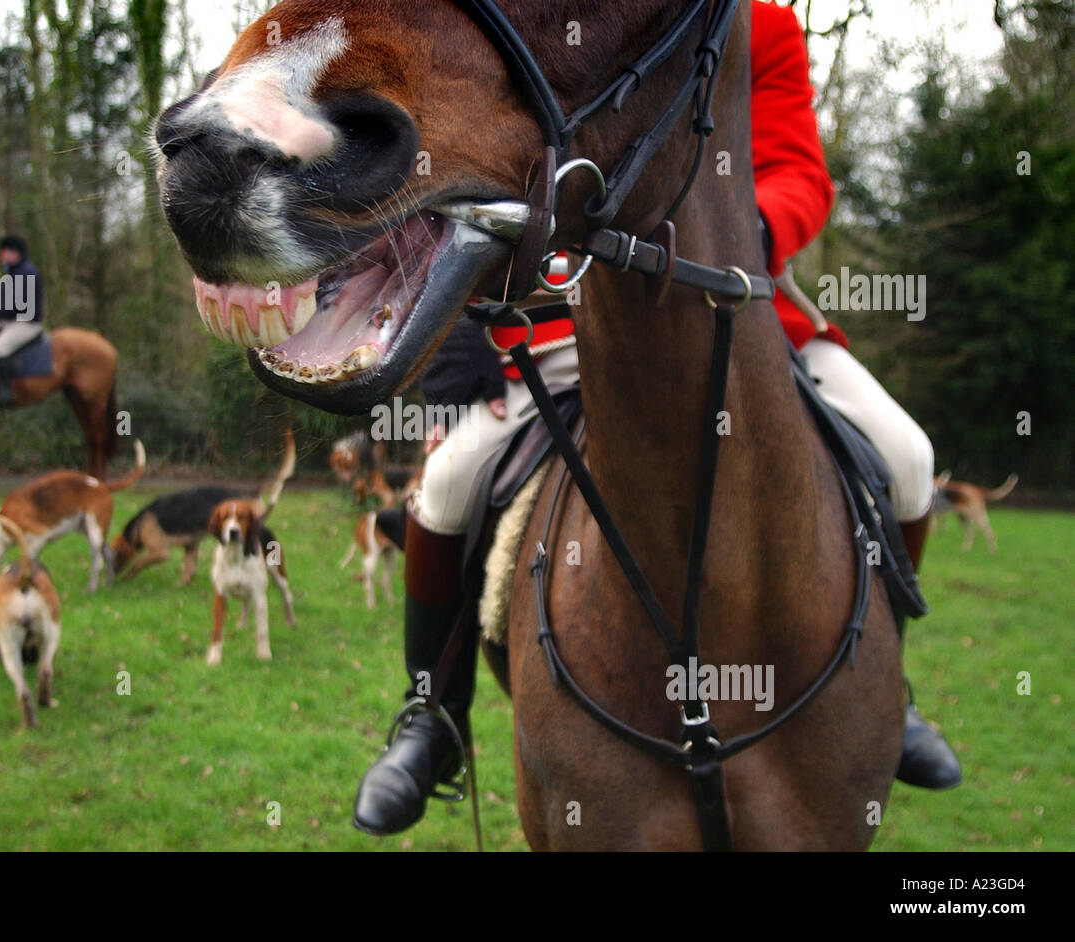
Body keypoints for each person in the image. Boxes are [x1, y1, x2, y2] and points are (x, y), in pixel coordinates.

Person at [352, 0, 960, 838]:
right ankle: (431, 720)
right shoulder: (572, 22)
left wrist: (738, 236)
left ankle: (892, 686)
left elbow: (796, 172)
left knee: (910, 454)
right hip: (573, 320)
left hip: (749, 318)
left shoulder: (766, 27)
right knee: (448, 483)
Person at [0, 234, 44, 407]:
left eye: (5, 251)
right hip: (12, 321)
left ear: (15, 253)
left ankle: (4, 393)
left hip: (27, 323)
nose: (1, 255)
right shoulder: (13, 272)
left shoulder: (27, 272)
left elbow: (16, 304)